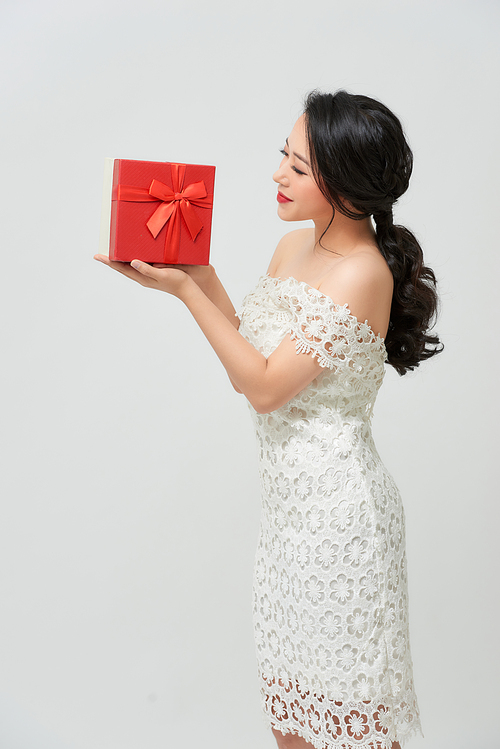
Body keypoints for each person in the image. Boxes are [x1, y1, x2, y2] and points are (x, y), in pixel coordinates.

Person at [95, 89, 442, 749]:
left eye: (299, 166)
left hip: (344, 527)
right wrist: (194, 270)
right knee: (294, 722)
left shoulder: (362, 272)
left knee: (355, 726)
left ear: (346, 182)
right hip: (289, 525)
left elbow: (262, 389)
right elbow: (249, 354)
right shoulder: (292, 249)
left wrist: (185, 292)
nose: (278, 173)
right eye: (283, 156)